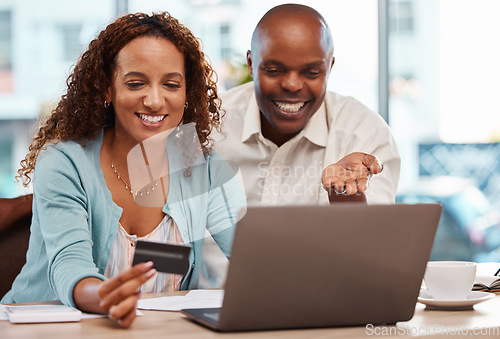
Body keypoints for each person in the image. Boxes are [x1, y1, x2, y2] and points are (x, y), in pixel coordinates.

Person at [1, 12, 245, 328]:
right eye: (135, 83)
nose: (155, 100)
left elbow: (249, 255)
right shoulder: (65, 162)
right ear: (107, 89)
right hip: (42, 331)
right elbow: (69, 264)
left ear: (187, 94)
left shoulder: (203, 167)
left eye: (171, 84)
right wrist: (105, 296)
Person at [214, 3, 400, 205]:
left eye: (312, 73)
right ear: (251, 64)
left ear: (329, 68)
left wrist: (348, 200)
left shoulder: (365, 132)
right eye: (274, 70)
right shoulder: (208, 124)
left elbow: (375, 233)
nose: (292, 85)